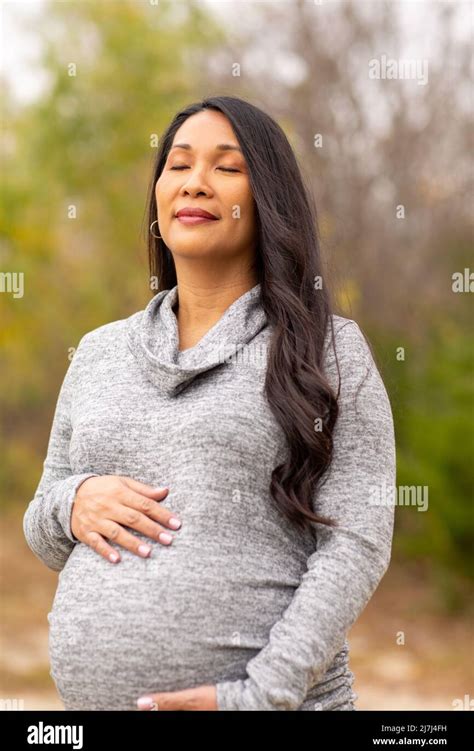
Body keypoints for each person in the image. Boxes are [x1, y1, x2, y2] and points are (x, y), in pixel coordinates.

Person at [23, 95, 396, 711]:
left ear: (268, 199)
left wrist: (257, 696)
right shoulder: (97, 352)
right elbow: (44, 533)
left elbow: (357, 541)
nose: (195, 182)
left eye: (226, 168)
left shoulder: (328, 349)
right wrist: (73, 499)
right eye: (178, 165)